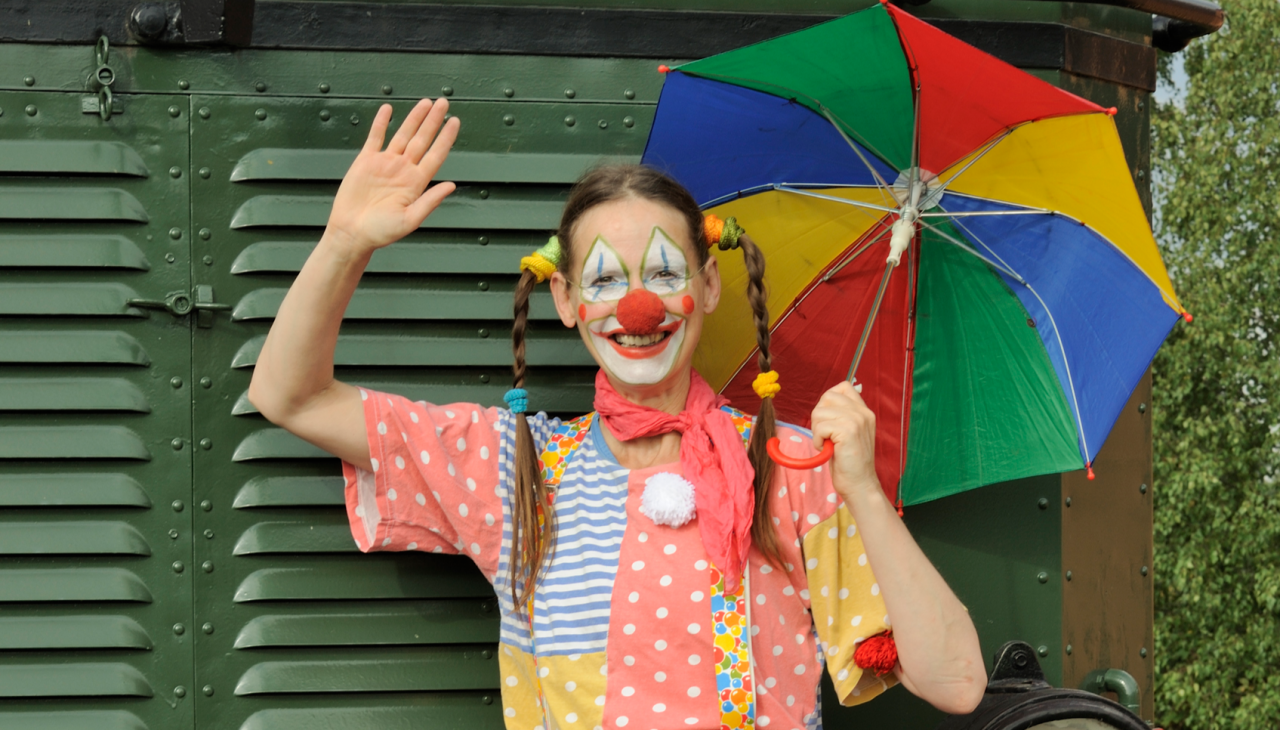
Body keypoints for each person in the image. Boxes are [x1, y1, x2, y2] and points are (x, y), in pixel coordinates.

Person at [248, 98, 986, 730]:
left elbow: (954, 683)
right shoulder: (515, 468)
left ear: (709, 283)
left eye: (664, 273)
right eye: (605, 280)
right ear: (566, 302)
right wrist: (345, 243)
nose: (638, 307)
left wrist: (859, 487)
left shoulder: (788, 466)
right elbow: (291, 396)